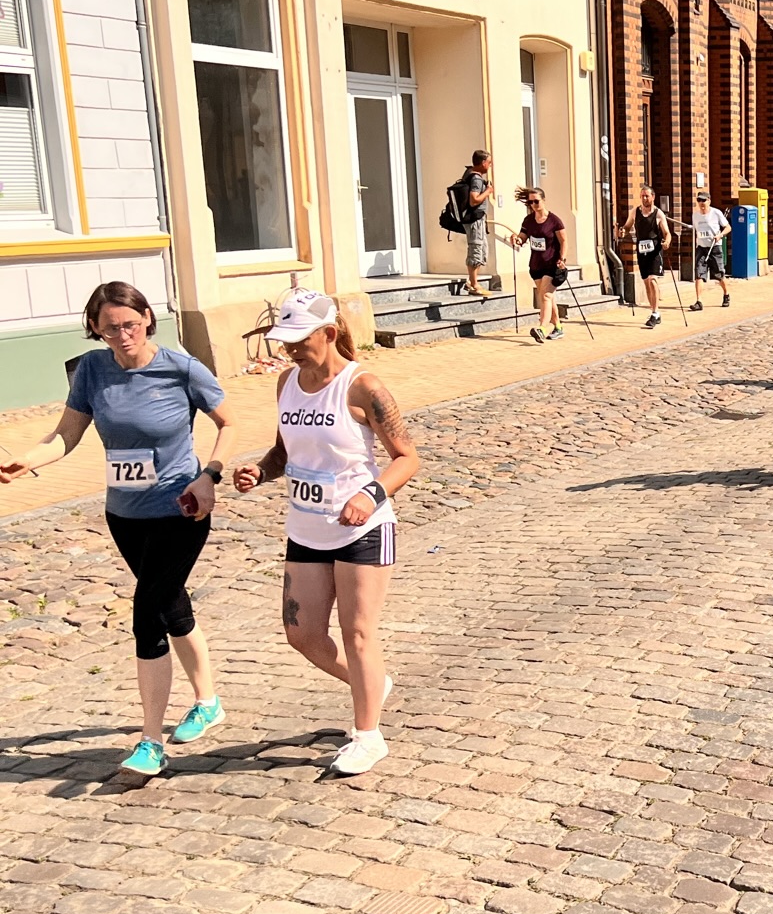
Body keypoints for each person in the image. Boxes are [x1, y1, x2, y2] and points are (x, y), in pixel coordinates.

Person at [0, 282, 231, 776]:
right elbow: (67, 434)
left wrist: (209, 475)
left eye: (129, 324)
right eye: (109, 329)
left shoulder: (181, 368)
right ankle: (208, 701)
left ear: (147, 318)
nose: (122, 336)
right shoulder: (92, 370)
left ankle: (150, 742)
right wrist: (28, 461)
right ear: (95, 329)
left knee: (147, 613)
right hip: (124, 515)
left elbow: (229, 422)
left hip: (181, 510)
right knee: (169, 604)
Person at [233, 291, 420, 775]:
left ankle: (368, 736)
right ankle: (372, 684)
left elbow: (407, 458)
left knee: (357, 634)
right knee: (302, 634)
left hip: (364, 528)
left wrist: (370, 496)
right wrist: (260, 471)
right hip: (307, 528)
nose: (290, 349)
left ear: (329, 334)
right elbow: (284, 452)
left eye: (299, 340)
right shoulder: (286, 383)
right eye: (285, 340)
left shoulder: (363, 387)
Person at [518, 186, 567, 344]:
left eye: (536, 201)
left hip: (552, 263)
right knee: (547, 297)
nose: (533, 205)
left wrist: (562, 259)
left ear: (543, 200)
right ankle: (558, 327)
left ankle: (542, 328)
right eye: (530, 202)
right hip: (536, 264)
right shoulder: (528, 220)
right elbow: (523, 236)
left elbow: (563, 241)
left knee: (545, 295)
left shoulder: (554, 221)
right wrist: (517, 240)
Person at [622, 187, 671, 329]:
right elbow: (627, 226)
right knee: (646, 282)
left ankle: (655, 313)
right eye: (642, 196)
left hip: (655, 251)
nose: (644, 199)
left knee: (652, 279)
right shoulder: (635, 212)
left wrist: (667, 242)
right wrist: (622, 231)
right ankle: (654, 312)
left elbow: (667, 233)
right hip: (641, 251)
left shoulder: (658, 214)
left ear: (653, 197)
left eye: (647, 196)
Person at [457, 149, 492, 298]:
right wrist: (488, 191)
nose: (490, 166)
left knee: (480, 249)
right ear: (483, 163)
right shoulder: (476, 179)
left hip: (476, 220)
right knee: (476, 249)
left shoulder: (469, 174)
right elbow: (474, 200)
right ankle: (474, 284)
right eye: (489, 163)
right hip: (474, 220)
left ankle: (472, 281)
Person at [689, 191, 731, 313]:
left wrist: (720, 235)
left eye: (704, 200)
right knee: (699, 274)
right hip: (701, 248)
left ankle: (726, 294)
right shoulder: (695, 215)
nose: (701, 203)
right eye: (699, 200)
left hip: (714, 248)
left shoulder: (716, 213)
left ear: (709, 201)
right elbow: (695, 230)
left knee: (719, 274)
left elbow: (728, 227)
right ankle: (699, 301)